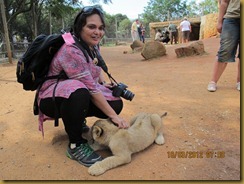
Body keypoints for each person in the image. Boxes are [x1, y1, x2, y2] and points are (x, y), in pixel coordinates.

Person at [37, 5, 129, 167]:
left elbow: (96, 66)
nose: (97, 32)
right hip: (51, 97)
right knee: (80, 92)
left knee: (115, 101)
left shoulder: (92, 45)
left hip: (75, 91)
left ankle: (77, 121)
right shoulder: (71, 49)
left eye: (101, 28)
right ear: (80, 28)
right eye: (91, 27)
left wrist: (102, 83)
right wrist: (114, 117)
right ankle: (76, 144)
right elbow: (90, 90)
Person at [207, 0, 240, 92]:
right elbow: (224, 2)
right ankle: (213, 81)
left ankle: (240, 81)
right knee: (225, 50)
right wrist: (219, 21)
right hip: (231, 18)